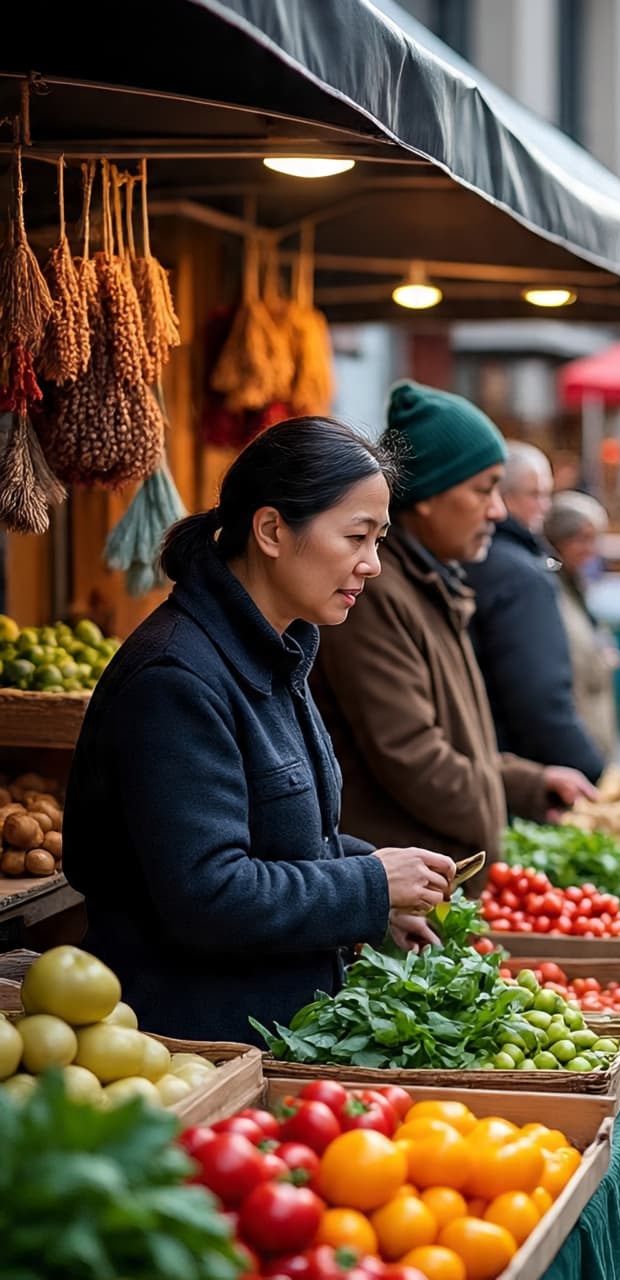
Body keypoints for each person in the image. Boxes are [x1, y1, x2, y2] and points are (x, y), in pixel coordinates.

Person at [62, 418, 457, 1043]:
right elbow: (208, 893)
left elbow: (282, 842)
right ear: (272, 530)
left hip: (272, 1030)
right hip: (191, 1045)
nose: (373, 565)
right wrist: (369, 884)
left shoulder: (281, 650)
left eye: (378, 539)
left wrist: (377, 894)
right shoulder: (175, 678)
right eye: (357, 536)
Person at [312, 383, 595, 867]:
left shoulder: (432, 581)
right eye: (484, 489)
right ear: (427, 496)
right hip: (401, 885)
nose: (498, 511)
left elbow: (457, 743)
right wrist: (493, 817)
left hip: (426, 875)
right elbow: (414, 755)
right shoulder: (376, 593)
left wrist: (527, 783)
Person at [465, 441, 605, 782]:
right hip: (530, 765)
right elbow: (541, 698)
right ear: (502, 495)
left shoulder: (491, 560)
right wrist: (593, 769)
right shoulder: (519, 574)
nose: (545, 507)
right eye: (535, 495)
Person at [544, 491, 620, 761]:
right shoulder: (547, 590)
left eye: (594, 539)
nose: (591, 549)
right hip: (576, 738)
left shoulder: (576, 586)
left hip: (594, 728)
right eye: (582, 539)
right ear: (558, 540)